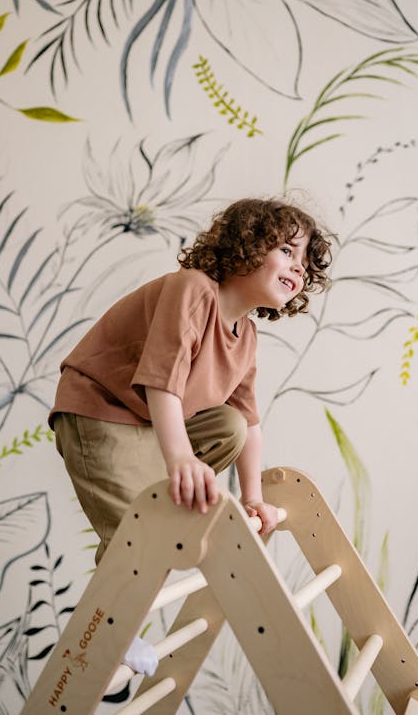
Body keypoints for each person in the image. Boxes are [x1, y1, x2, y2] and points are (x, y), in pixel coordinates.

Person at [49, 196, 331, 676]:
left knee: (230, 425)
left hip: (146, 423)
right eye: (287, 251)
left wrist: (253, 498)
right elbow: (162, 380)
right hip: (101, 410)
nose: (297, 269)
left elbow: (249, 421)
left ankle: (172, 486)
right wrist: (180, 458)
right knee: (135, 524)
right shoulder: (193, 289)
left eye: (304, 264)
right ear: (246, 245)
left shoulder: (246, 336)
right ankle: (113, 627)